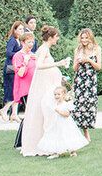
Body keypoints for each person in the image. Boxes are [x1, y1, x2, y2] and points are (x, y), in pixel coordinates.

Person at [20, 26, 70, 157]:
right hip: (45, 87)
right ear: (50, 38)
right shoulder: (43, 49)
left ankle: (53, 143)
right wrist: (57, 64)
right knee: (48, 114)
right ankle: (47, 145)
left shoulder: (45, 49)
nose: (57, 39)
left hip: (49, 84)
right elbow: (39, 66)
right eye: (56, 37)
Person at [37, 85, 89, 159]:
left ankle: (72, 151)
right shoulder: (55, 104)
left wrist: (59, 112)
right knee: (55, 136)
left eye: (58, 94)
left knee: (68, 135)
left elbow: (67, 114)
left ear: (63, 95)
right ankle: (55, 152)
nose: (56, 96)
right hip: (56, 123)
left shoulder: (65, 104)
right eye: (55, 94)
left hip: (65, 123)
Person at [71, 27, 101, 141]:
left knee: (89, 104)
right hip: (80, 79)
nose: (84, 40)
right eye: (82, 38)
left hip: (90, 79)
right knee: (78, 105)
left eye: (86, 38)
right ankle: (79, 131)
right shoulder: (77, 50)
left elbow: (98, 67)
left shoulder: (96, 49)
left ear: (90, 38)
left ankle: (87, 129)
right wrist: (78, 62)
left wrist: (89, 60)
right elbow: (74, 68)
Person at [0, 21, 26, 123]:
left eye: (23, 29)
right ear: (14, 30)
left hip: (16, 67)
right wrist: (20, 53)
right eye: (19, 29)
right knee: (13, 91)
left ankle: (14, 113)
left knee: (17, 90)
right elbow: (9, 53)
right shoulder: (12, 40)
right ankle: (4, 110)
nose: (22, 31)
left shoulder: (18, 41)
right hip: (10, 68)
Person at [11, 32, 36, 123]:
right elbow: (20, 74)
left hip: (33, 86)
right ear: (22, 43)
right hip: (24, 89)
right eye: (28, 42)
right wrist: (25, 62)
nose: (31, 44)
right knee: (29, 112)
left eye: (32, 42)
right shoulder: (18, 56)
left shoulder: (33, 55)